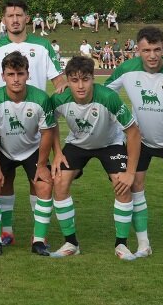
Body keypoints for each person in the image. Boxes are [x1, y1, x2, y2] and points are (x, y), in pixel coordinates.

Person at [0, 0, 66, 245]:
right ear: (4, 20)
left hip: (35, 129)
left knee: (39, 182)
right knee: (4, 181)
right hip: (0, 132)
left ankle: (38, 235)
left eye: (18, 15)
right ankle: (7, 230)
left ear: (27, 19)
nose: (14, 20)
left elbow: (60, 82)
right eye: (9, 16)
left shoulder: (43, 46)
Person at [105, 26, 163, 259]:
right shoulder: (125, 69)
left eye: (157, 49)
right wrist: (121, 118)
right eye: (146, 50)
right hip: (139, 140)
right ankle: (143, 244)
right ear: (138, 50)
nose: (152, 55)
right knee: (135, 186)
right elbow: (104, 93)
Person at [49, 56, 141, 260]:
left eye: (86, 79)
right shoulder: (58, 98)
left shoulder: (108, 97)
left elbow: (133, 132)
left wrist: (130, 172)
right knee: (59, 182)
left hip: (110, 143)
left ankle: (121, 245)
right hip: (78, 143)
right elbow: (50, 124)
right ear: (67, 80)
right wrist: (57, 153)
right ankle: (71, 243)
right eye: (74, 80)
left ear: (93, 78)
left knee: (122, 183)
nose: (80, 86)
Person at [0, 52, 57, 257]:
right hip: (3, 150)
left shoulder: (41, 99)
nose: (16, 79)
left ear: (28, 75)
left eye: (20, 74)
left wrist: (42, 165)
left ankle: (39, 239)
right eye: (11, 74)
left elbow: (47, 134)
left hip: (32, 149)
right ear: (3, 75)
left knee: (44, 184)